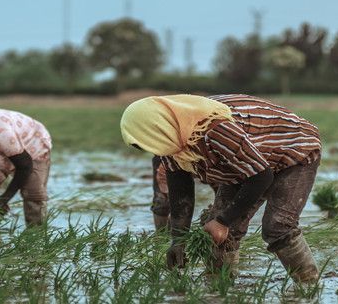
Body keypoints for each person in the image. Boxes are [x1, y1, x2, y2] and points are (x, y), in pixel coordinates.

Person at [121, 94, 322, 283]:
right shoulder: (171, 140)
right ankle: (220, 288)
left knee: (277, 225)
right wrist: (178, 239)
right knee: (218, 227)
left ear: (157, 127)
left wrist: (223, 221)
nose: (154, 149)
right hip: (248, 163)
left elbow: (262, 176)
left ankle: (308, 286)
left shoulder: (213, 129)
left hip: (293, 151)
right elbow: (180, 190)